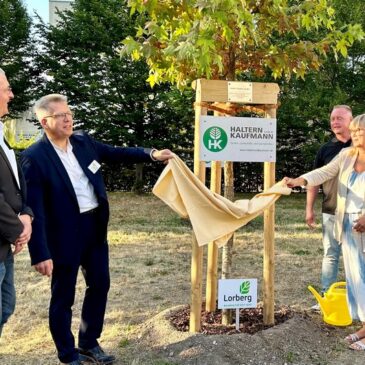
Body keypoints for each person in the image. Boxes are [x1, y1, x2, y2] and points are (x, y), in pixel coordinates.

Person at [20, 94, 173, 365]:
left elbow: (116, 152)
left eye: (69, 113)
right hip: (64, 235)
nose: (68, 119)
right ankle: (68, 355)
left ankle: (89, 343)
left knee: (100, 284)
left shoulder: (83, 141)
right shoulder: (34, 158)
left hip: (94, 227)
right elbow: (34, 210)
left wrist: (151, 154)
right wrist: (39, 253)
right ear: (45, 121)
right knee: (63, 296)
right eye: (61, 115)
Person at [284, 113, 365, 351]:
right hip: (347, 225)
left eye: (362, 131)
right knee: (356, 278)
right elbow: (324, 172)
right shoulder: (347, 155)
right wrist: (300, 180)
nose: (358, 135)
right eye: (356, 131)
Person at [305, 105, 352, 307]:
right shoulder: (326, 149)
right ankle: (326, 298)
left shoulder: (360, 146)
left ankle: (357, 299)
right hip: (331, 210)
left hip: (357, 214)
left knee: (356, 258)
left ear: (351, 120)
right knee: (330, 254)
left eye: (340, 118)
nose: (335, 122)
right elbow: (315, 179)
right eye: (332, 118)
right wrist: (309, 209)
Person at [0, 68, 33, 336]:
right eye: (6, 89)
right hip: (5, 236)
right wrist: (18, 229)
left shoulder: (1, 135)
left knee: (5, 307)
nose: (11, 95)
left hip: (4, 245)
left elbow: (17, 184)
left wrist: (26, 214)